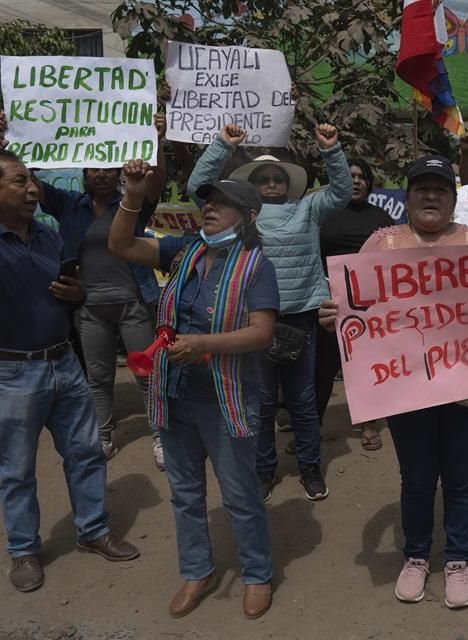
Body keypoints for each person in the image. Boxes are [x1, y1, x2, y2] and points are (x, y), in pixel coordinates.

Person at [319, 155, 468, 609]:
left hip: (466, 390)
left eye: (440, 189)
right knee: (415, 478)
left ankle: (456, 559)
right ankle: (414, 556)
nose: (431, 196)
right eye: (421, 189)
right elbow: (354, 303)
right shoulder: (382, 243)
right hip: (405, 389)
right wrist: (335, 314)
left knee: (461, 479)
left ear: (452, 199)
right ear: (407, 197)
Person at [108, 161, 279, 619]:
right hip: (175, 391)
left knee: (240, 494)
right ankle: (197, 571)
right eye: (208, 200)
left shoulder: (257, 267)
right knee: (184, 492)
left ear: (248, 215)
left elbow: (262, 332)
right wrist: (133, 194)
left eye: (223, 203)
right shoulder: (185, 251)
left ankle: (257, 574)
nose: (210, 208)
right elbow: (121, 243)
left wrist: (204, 344)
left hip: (225, 396)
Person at [0, 150, 140, 593]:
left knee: (86, 453)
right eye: (20, 181)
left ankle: (94, 531)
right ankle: (24, 550)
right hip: (12, 373)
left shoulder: (46, 237)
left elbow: (68, 298)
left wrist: (77, 294)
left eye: (32, 181)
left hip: (64, 362)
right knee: (17, 469)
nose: (33, 189)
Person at [188, 122, 351, 502]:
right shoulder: (240, 215)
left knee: (303, 399)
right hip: (255, 321)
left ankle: (310, 467)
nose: (273, 183)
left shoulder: (308, 208)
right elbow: (200, 189)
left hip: (301, 317)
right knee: (260, 400)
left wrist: (331, 150)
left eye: (278, 177)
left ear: (288, 183)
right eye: (264, 178)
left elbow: (342, 191)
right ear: (254, 186)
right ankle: (264, 470)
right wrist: (222, 145)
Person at [0, 111, 168, 466]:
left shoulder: (133, 204)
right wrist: (10, 139)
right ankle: (103, 435)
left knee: (145, 373)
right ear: (84, 174)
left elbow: (156, 182)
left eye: (109, 168)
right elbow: (30, 182)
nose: (102, 174)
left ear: (119, 171)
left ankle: (161, 436)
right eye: (95, 169)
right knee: (98, 375)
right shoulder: (68, 204)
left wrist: (157, 141)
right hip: (88, 307)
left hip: (134, 303)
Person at [314, 157, 394, 451]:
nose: (357, 180)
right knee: (322, 368)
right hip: (329, 303)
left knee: (366, 365)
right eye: (350, 176)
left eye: (362, 176)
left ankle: (368, 423)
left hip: (370, 306)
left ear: (369, 183)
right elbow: (313, 255)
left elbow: (392, 261)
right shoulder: (325, 216)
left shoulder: (381, 217)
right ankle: (311, 428)